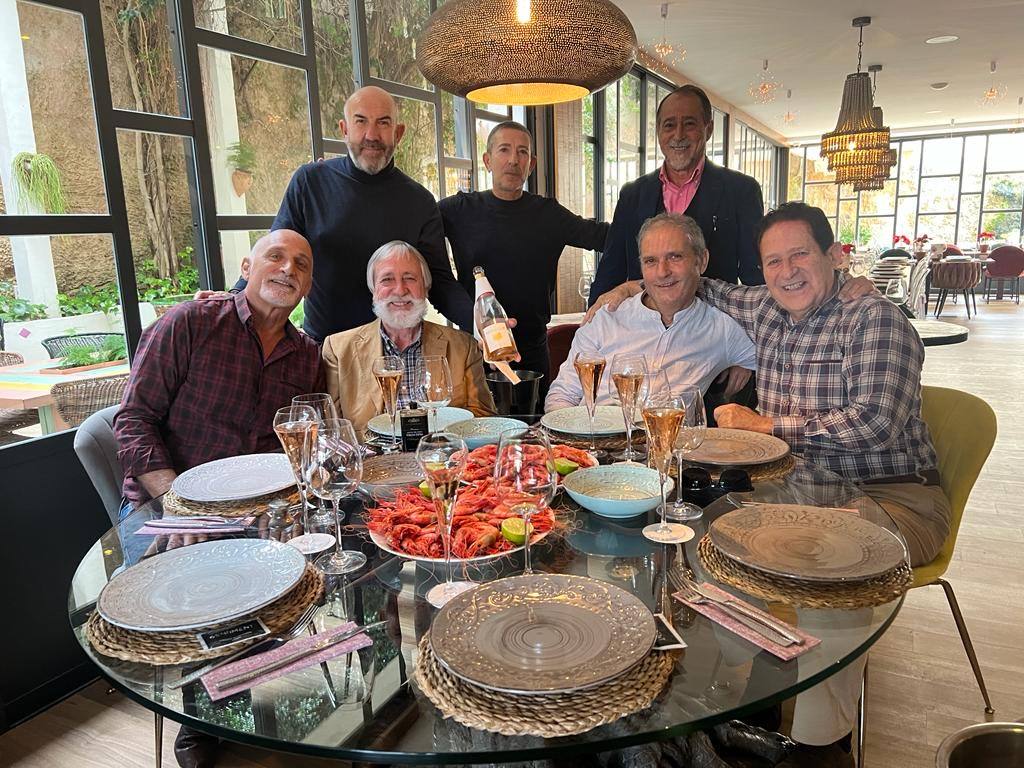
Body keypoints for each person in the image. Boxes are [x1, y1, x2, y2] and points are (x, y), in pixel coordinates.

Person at [590, 203, 947, 768]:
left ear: (835, 256)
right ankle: (726, 706)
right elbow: (692, 281)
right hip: (800, 493)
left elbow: (878, 422)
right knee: (701, 546)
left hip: (892, 494)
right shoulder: (766, 306)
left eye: (800, 254)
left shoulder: (872, 318)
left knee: (827, 572)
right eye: (773, 261)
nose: (787, 271)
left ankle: (821, 746)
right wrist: (632, 283)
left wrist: (767, 426)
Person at [113, 229, 323, 768]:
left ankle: (246, 694)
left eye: (301, 264)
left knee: (308, 577)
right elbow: (132, 420)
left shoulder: (306, 356)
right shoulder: (190, 323)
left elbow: (300, 447)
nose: (288, 269)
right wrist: (180, 501)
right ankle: (200, 723)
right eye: (276, 257)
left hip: (255, 513)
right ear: (248, 264)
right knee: (199, 597)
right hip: (164, 507)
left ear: (309, 284)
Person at [214, 85, 472, 341]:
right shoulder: (310, 182)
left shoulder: (420, 201)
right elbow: (276, 256)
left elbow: (439, 281)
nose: (371, 135)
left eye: (383, 123)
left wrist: (481, 322)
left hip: (398, 354)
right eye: (361, 122)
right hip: (325, 351)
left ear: (398, 133)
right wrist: (231, 299)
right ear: (344, 129)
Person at [439, 120, 609, 387]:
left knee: (536, 426)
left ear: (531, 164)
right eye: (504, 150)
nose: (513, 160)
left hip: (532, 351)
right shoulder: (459, 210)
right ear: (487, 160)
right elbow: (416, 231)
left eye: (522, 152)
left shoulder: (548, 214)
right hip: (476, 348)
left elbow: (602, 237)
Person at [544, 213, 755, 411]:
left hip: (671, 447)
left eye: (675, 257)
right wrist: (571, 445)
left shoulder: (722, 329)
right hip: (593, 444)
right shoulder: (606, 317)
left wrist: (745, 364)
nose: (662, 272)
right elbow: (563, 394)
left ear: (701, 261)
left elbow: (777, 358)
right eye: (651, 261)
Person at [588, 84, 764, 303]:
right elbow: (611, 269)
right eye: (669, 125)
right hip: (645, 327)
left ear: (708, 129)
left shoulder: (741, 190)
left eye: (689, 124)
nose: (678, 135)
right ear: (659, 132)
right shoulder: (632, 195)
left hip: (712, 326)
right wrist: (591, 321)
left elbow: (754, 278)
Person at [322, 241, 496, 433]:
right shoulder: (338, 349)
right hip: (371, 460)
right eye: (387, 279)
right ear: (373, 291)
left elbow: (484, 418)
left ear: (426, 288)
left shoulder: (463, 346)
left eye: (410, 278)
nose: (400, 290)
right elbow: (332, 430)